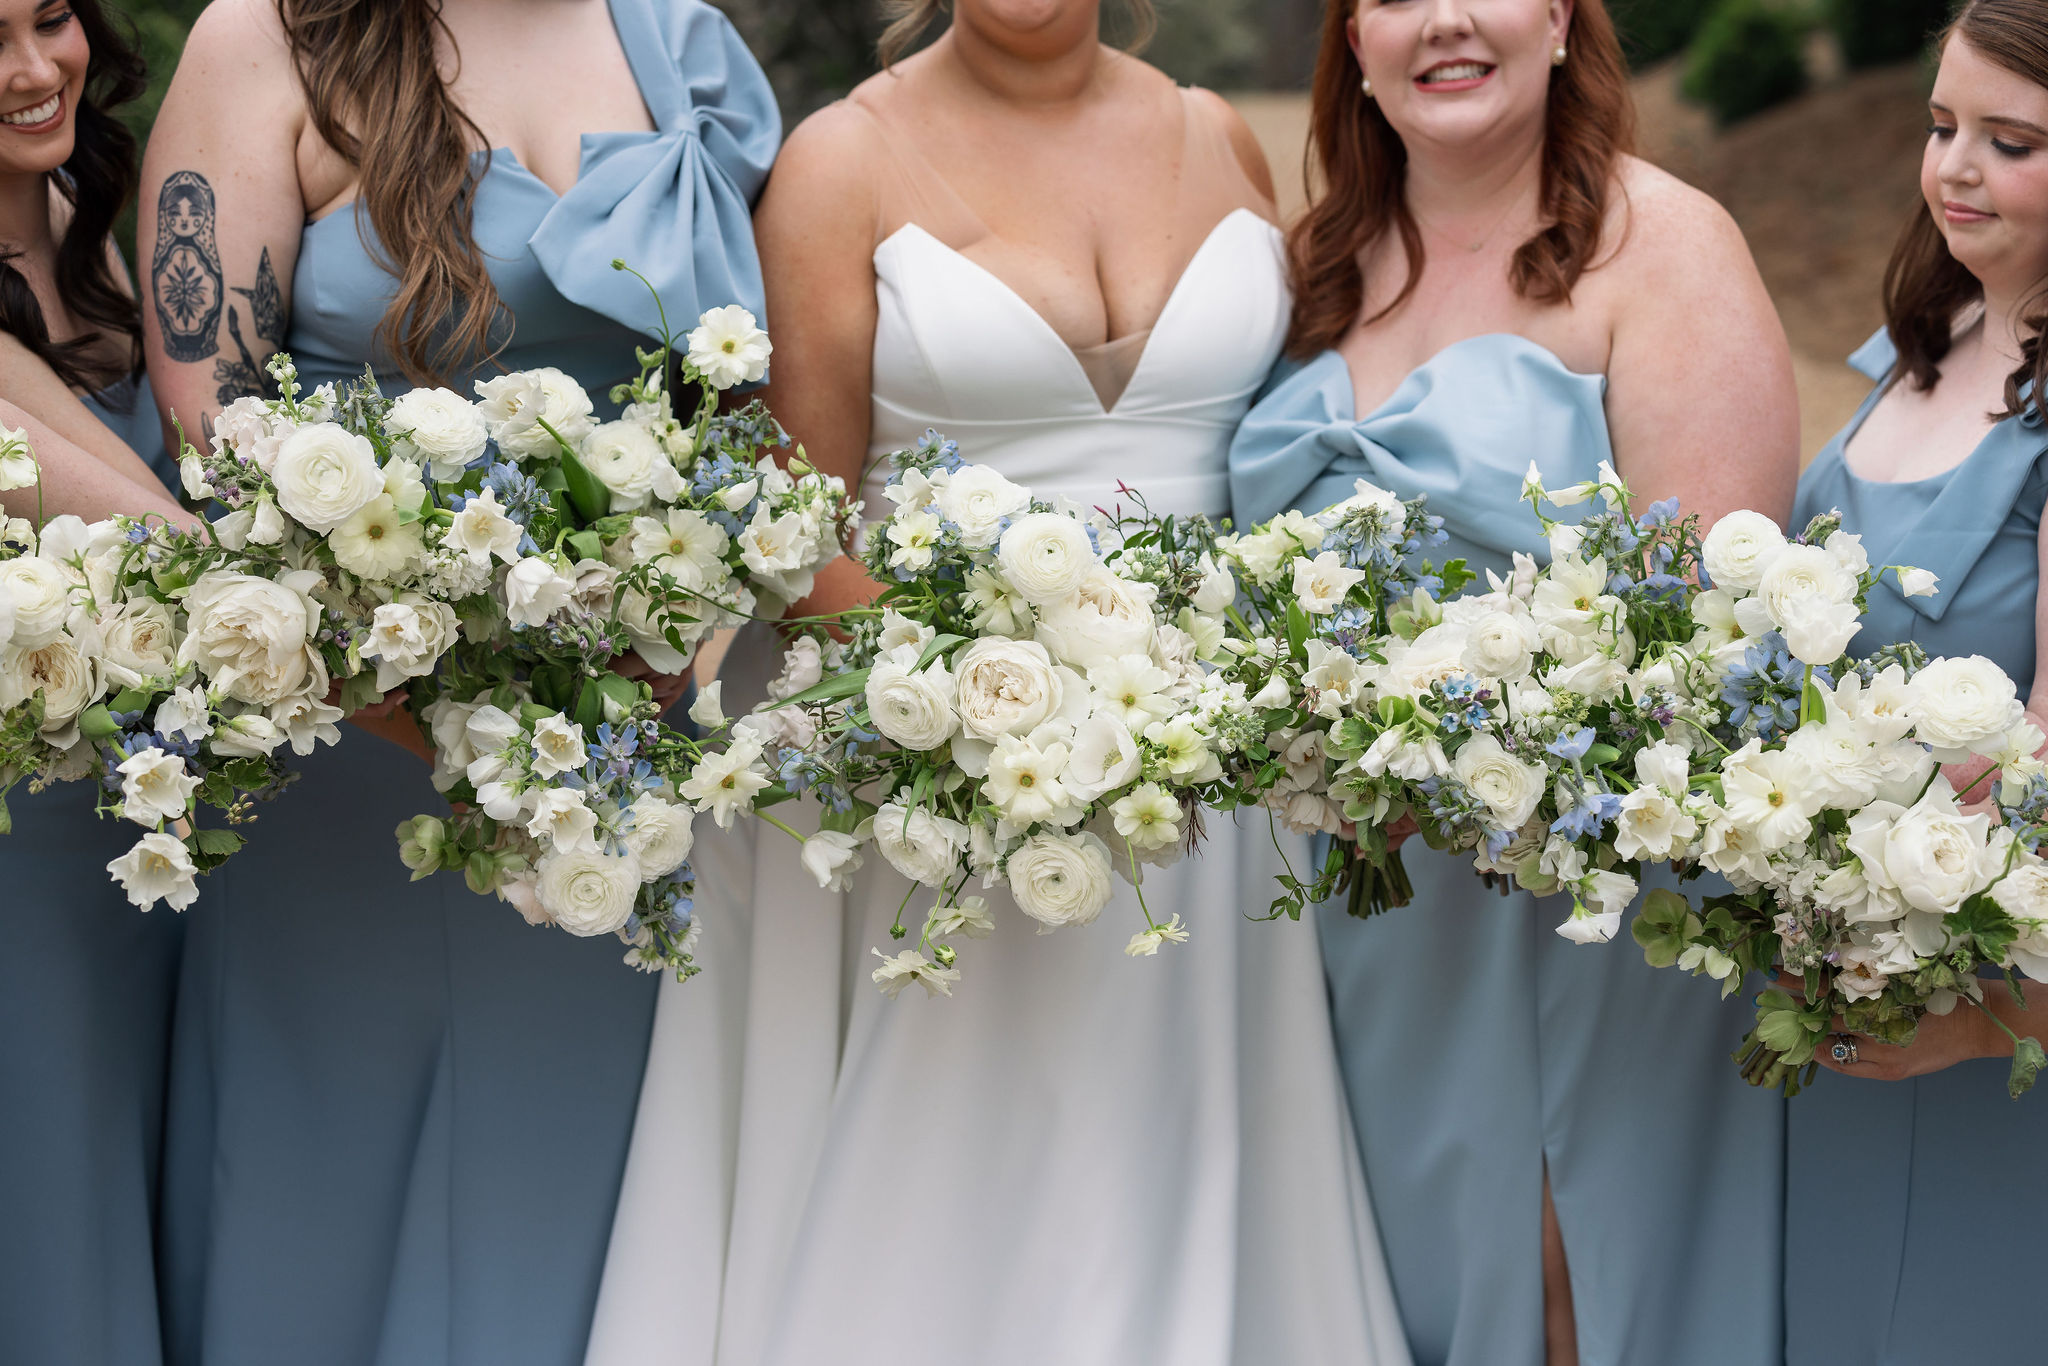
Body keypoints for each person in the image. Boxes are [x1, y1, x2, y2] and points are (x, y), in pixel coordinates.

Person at [585, 3, 1412, 1363]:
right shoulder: (841, 159)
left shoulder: (1221, 139)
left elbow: (1289, 447)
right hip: (942, 776)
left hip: (1202, 798)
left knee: (1175, 1165)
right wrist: (987, 719)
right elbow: (795, 519)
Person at [136, 2, 777, 1362]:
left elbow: (742, 403)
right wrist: (444, 714)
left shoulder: (684, 40)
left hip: (614, 765)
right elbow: (217, 449)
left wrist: (645, 649)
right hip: (350, 748)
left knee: (596, 1206)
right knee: (329, 1201)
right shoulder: (267, 41)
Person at [1227, 2, 1799, 1364]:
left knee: (1569, 1281)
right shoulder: (1311, 268)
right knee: (1385, 1277)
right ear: (1353, 42)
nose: (1444, 21)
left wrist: (1491, 761)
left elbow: (1716, 638)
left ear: (1557, 21)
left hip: (1585, 901)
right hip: (1356, 908)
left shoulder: (1661, 248)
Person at [1784, 4, 2048, 1360]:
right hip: (1842, 993)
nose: (1953, 168)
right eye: (1941, 126)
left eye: (2011, 142)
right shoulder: (1923, 335)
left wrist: (1994, 1013)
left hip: (1984, 1028)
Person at [0, 5, 201, 1364]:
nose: (31, 71)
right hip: (28, 861)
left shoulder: (86, 201)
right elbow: (170, 544)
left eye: (48, 17)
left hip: (154, 827)